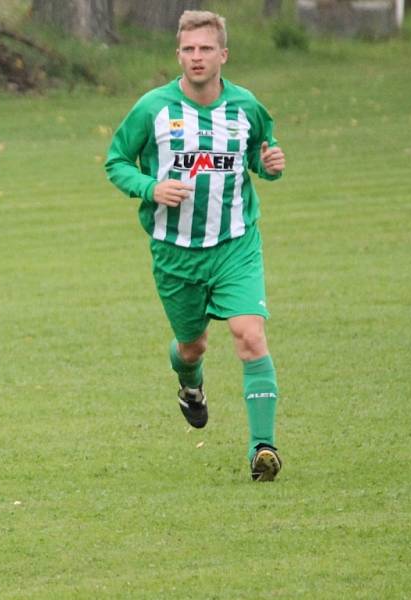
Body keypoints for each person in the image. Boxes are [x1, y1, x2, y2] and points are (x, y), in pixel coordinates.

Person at [104, 11, 286, 481]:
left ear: (223, 54)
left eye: (206, 48)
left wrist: (271, 164)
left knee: (250, 336)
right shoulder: (153, 109)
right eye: (189, 49)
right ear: (178, 55)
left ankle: (261, 448)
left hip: (235, 244)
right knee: (191, 347)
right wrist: (150, 187)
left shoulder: (246, 107)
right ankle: (190, 386)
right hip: (175, 253)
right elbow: (117, 161)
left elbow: (260, 158)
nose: (197, 57)